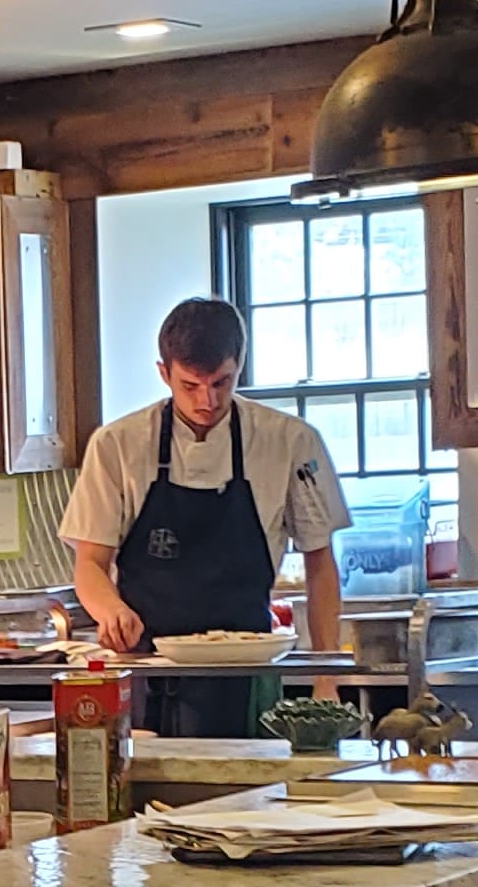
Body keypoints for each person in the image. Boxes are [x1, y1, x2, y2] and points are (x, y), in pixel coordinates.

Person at [60, 296, 350, 736]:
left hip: (247, 670)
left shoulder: (289, 441)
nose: (208, 400)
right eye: (190, 386)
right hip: (144, 669)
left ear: (241, 366)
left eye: (222, 382)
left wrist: (326, 678)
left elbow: (320, 562)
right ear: (164, 373)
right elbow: (90, 563)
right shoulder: (117, 445)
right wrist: (110, 610)